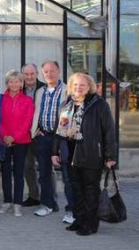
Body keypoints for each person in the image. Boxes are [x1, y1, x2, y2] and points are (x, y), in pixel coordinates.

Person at [52, 73, 116, 236]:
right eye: (75, 85)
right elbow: (58, 130)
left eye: (82, 85)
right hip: (70, 153)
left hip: (91, 154)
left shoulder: (98, 104)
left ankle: (90, 224)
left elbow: (109, 131)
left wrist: (110, 156)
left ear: (89, 87)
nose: (78, 88)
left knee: (90, 190)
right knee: (76, 189)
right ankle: (79, 219)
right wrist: (55, 151)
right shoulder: (66, 104)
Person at [31, 61, 74, 224]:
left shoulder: (67, 91)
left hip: (62, 138)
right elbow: (37, 112)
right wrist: (35, 131)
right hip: (43, 137)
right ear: (43, 74)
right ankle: (48, 204)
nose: (49, 74)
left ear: (59, 71)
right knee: (44, 174)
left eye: (52, 71)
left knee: (67, 175)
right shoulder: (40, 91)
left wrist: (62, 135)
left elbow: (68, 116)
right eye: (46, 72)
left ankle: (71, 210)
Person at [0, 71, 34, 217]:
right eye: (11, 82)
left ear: (21, 83)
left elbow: (27, 122)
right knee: (5, 172)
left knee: (19, 173)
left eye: (17, 81)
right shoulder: (1, 99)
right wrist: (4, 135)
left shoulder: (27, 100)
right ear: (7, 83)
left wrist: (15, 137)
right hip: (4, 141)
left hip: (21, 141)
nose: (14, 84)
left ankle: (17, 203)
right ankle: (7, 201)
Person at [21, 63, 45, 208]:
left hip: (41, 133)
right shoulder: (18, 88)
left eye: (32, 74)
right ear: (22, 75)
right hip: (24, 134)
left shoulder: (44, 88)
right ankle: (34, 196)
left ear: (37, 74)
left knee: (46, 168)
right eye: (26, 74)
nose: (29, 77)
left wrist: (41, 127)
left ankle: (49, 197)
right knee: (27, 166)